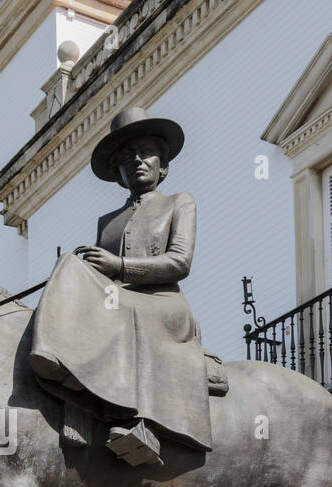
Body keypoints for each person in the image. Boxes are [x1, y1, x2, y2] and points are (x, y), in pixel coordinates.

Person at [29, 105, 214, 466]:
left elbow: (180, 263)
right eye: (127, 157)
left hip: (163, 303)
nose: (137, 161)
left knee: (123, 314)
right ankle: (73, 397)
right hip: (120, 301)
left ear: (164, 164)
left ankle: (142, 425)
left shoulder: (179, 203)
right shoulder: (107, 222)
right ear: (118, 174)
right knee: (68, 266)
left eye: (146, 152)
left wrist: (121, 266)